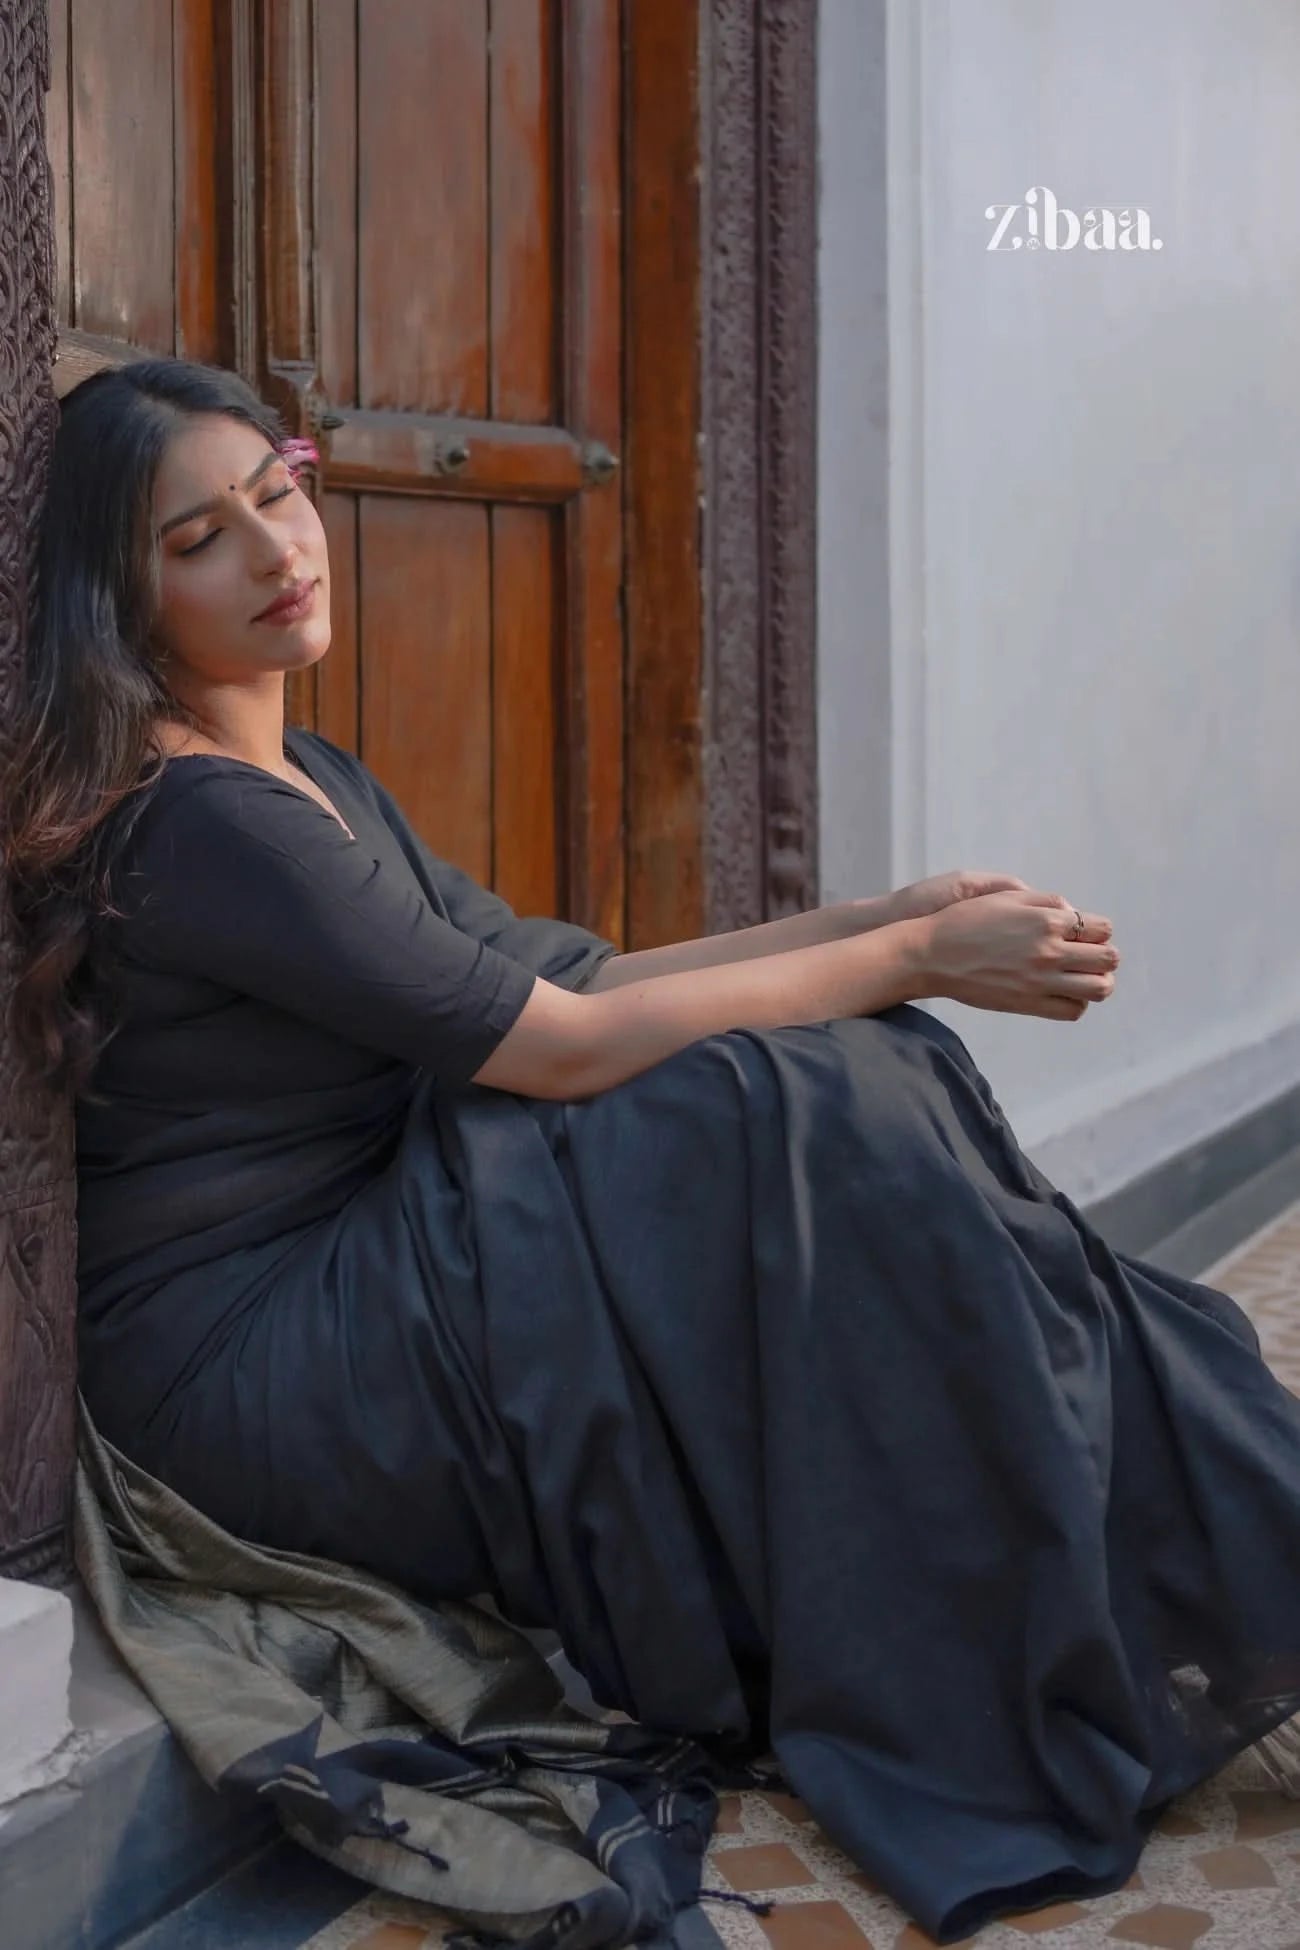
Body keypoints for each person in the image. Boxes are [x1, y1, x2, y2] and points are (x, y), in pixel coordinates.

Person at [5, 356, 1299, 1946]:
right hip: (261, 1357)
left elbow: (580, 977)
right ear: (119, 601)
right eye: (198, 538)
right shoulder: (200, 821)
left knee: (834, 1080)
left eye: (274, 491)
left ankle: (1119, 1568)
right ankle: (1079, 1600)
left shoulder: (307, 780)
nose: (278, 552)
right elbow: (557, 1046)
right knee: (770, 1100)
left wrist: (886, 921)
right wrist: (911, 959)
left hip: (376, 1250)